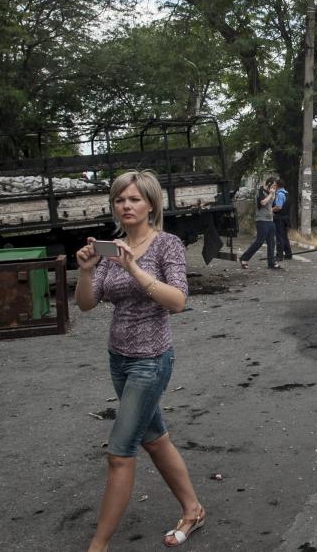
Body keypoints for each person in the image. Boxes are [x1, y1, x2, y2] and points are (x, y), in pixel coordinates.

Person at [74, 171, 205, 550]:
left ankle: (98, 544)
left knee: (119, 453)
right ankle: (193, 509)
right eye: (119, 200)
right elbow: (86, 303)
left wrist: (134, 268)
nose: (126, 206)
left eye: (133, 199)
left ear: (151, 204)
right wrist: (85, 272)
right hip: (119, 360)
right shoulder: (110, 249)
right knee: (155, 440)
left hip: (151, 361)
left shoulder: (168, 245)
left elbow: (178, 302)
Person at [239, 178, 281, 269]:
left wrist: (272, 211)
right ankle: (244, 258)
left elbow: (270, 205)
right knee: (259, 241)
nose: (275, 188)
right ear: (269, 184)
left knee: (271, 242)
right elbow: (263, 202)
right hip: (262, 221)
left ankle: (271, 263)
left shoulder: (272, 193)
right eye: (274, 185)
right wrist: (271, 194)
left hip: (270, 220)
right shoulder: (260, 191)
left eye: (276, 186)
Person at [272, 178, 293, 260]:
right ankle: (288, 254)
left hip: (280, 218)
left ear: (277, 185)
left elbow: (278, 207)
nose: (273, 186)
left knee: (279, 236)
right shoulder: (286, 193)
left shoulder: (279, 194)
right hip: (286, 217)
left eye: (274, 184)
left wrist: (270, 210)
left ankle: (279, 255)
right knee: (284, 236)